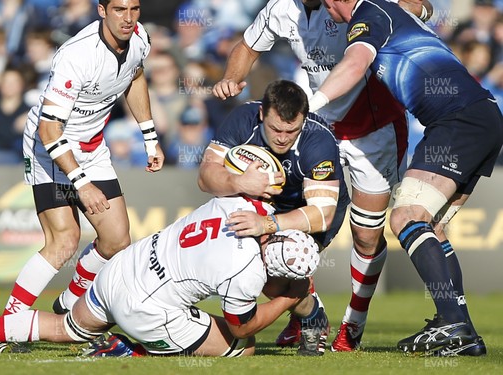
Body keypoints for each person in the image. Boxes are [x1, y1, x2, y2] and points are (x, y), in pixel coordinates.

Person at [211, 0, 432, 353]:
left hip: (373, 129)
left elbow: (420, 8)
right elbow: (248, 46)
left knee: (365, 235)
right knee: (288, 220)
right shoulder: (281, 8)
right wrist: (231, 78)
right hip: (317, 125)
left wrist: (416, 9)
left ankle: (353, 325)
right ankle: (307, 314)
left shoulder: (357, 5)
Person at [308, 0, 503, 356]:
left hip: (457, 121)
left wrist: (311, 102)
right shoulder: (387, 9)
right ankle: (465, 335)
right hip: (483, 116)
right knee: (434, 227)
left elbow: (354, 63)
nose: (325, 12)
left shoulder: (368, 15)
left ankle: (452, 322)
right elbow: (420, 7)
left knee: (406, 216)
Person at [0, 194, 319, 358]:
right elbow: (241, 324)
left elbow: (216, 182)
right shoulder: (247, 271)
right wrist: (285, 300)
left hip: (124, 267)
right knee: (241, 348)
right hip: (146, 308)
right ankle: (127, 348)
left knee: (65, 327)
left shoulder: (235, 205)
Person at [3, 0, 164, 336]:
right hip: (50, 147)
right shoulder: (76, 55)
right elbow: (49, 130)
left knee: (117, 240)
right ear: (101, 10)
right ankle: (9, 323)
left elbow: (134, 76)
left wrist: (150, 137)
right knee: (64, 241)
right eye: (119, 9)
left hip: (92, 148)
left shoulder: (140, 39)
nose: (128, 18)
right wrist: (81, 183)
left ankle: (70, 300)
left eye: (134, 9)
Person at [199, 80, 350, 356]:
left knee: (280, 259)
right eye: (275, 129)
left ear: (303, 121)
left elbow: (321, 214)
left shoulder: (318, 140)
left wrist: (267, 225)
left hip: (309, 207)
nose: (282, 137)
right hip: (259, 199)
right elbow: (206, 176)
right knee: (253, 269)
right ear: (261, 115)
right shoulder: (243, 119)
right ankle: (309, 312)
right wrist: (241, 182)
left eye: (291, 131)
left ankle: (310, 316)